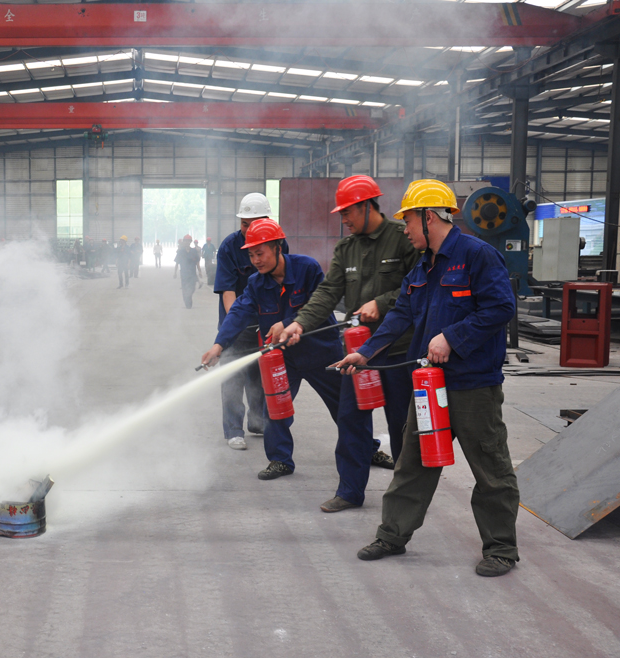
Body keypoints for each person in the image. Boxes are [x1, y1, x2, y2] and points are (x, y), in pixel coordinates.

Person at [333, 179, 519, 578]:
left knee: (490, 467)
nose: (405, 229)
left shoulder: (476, 255)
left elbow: (501, 307)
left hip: (472, 385)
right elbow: (401, 313)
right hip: (430, 385)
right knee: (413, 464)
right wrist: (366, 353)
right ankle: (392, 535)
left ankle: (501, 548)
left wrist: (452, 337)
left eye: (409, 221)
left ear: (429, 217)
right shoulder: (423, 266)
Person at [280, 176, 420, 513]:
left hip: (397, 351)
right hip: (358, 352)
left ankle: (406, 495)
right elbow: (328, 291)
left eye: (347, 212)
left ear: (367, 206)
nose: (343, 219)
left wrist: (381, 303)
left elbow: (417, 286)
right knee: (350, 420)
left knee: (401, 425)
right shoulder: (346, 248)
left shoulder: (401, 239)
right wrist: (300, 322)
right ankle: (350, 491)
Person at [201, 220, 344, 479]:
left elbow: (321, 305)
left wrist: (288, 323)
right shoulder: (256, 283)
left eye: (260, 253)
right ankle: (280, 460)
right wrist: (218, 345)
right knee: (274, 408)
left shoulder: (307, 268)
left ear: (278, 247)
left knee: (345, 406)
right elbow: (238, 313)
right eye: (251, 255)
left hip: (322, 352)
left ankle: (367, 449)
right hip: (286, 359)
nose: (255, 260)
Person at [213, 193, 287, 450]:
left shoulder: (278, 243)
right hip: (237, 321)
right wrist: (235, 325)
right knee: (232, 376)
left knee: (260, 375)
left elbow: (282, 284)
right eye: (244, 224)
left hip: (267, 323)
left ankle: (257, 422)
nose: (247, 230)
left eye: (253, 224)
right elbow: (228, 291)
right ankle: (234, 429)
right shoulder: (229, 247)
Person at [173, 234, 201, 308]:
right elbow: (177, 262)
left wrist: (200, 271)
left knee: (192, 288)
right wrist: (175, 273)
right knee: (185, 288)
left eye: (189, 241)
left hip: (192, 273)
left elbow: (197, 262)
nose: (187, 242)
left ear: (190, 242)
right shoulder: (180, 251)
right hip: (184, 273)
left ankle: (188, 296)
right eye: (186, 241)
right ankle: (187, 302)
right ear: (184, 241)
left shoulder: (194, 251)